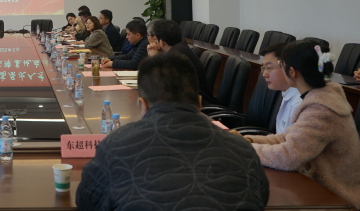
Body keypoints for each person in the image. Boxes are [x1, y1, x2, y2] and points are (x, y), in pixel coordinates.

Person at [76, 53, 269, 211]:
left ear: (142, 105)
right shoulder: (243, 150)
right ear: (199, 104)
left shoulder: (115, 147)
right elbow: (261, 196)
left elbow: (87, 202)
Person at [244, 41, 360, 208]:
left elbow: (289, 156)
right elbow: (289, 137)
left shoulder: (321, 108)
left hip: (336, 199)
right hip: (316, 189)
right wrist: (246, 140)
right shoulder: (319, 97)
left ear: (292, 72)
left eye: (281, 66)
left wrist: (245, 148)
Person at [147, 19, 217, 105]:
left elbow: (156, 85)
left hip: (196, 107)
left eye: (156, 40)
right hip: (189, 102)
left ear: (161, 42)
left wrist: (154, 58)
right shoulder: (180, 49)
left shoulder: (175, 56)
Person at [258, 42, 301, 133]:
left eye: (269, 68)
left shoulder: (299, 104)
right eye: (263, 68)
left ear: (289, 69)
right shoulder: (287, 93)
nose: (264, 74)